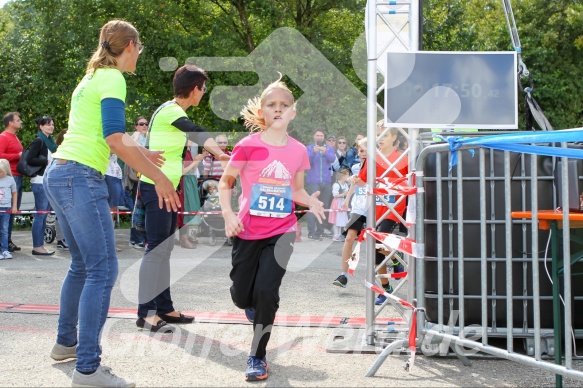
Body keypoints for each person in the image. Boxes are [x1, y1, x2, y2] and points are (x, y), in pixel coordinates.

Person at [45, 20, 180, 388]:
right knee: (103, 270)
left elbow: (106, 135)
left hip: (59, 172)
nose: (140, 55)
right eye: (140, 48)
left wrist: (142, 150)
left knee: (81, 267)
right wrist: (159, 174)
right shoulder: (113, 79)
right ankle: (88, 369)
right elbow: (114, 140)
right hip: (80, 176)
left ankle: (65, 344)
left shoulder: (90, 77)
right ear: (131, 45)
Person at [219, 75, 326, 382]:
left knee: (267, 292)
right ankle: (249, 305)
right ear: (262, 111)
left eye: (284, 105)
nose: (278, 110)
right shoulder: (247, 146)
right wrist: (228, 215)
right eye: (271, 105)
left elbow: (295, 190)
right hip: (246, 230)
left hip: (282, 232)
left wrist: (310, 201)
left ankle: (257, 356)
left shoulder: (298, 151)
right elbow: (226, 183)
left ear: (293, 112)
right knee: (243, 297)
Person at [136, 64, 228, 333]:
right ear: (195, 89)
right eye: (204, 88)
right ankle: (146, 312)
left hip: (166, 187)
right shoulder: (171, 110)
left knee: (164, 249)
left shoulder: (169, 109)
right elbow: (196, 131)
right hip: (156, 187)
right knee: (155, 249)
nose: (204, 93)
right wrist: (220, 153)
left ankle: (164, 307)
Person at [357, 122, 408, 304]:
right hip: (375, 209)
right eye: (377, 136)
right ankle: (385, 289)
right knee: (375, 252)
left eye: (384, 135)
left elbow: (411, 182)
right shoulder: (373, 158)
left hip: (394, 209)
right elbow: (362, 180)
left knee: (379, 240)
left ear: (394, 138)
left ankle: (395, 255)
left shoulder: (402, 158)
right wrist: (354, 179)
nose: (379, 139)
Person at [333, 138, 367, 288]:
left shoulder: (380, 166)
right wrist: (347, 199)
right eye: (360, 150)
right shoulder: (355, 167)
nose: (362, 153)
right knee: (349, 238)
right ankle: (343, 275)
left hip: (375, 207)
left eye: (365, 150)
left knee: (378, 244)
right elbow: (354, 184)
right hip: (359, 208)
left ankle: (394, 258)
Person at [27, 115, 57, 256]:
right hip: (39, 181)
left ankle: (40, 245)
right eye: (47, 124)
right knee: (40, 214)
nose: (51, 126)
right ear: (41, 126)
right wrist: (46, 161)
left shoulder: (50, 141)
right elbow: (30, 159)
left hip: (48, 180)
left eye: (52, 124)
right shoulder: (39, 141)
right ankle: (37, 246)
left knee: (44, 215)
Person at [305, 128, 335, 240]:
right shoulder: (308, 148)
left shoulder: (329, 148)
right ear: (314, 136)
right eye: (317, 135)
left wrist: (325, 152)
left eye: (321, 136)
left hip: (326, 182)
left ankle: (320, 231)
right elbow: (306, 161)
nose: (319, 137)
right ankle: (311, 232)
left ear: (324, 138)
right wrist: (313, 152)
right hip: (313, 181)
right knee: (313, 206)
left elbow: (332, 158)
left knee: (324, 206)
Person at [0, 112, 23, 253]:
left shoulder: (14, 137)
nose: (21, 122)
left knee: (12, 211)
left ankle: (7, 240)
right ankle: (4, 242)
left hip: (17, 175)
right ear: (10, 123)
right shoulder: (3, 137)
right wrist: (18, 156)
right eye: (18, 120)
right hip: (9, 177)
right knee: (6, 210)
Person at [177, 141, 204, 249]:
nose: (193, 141)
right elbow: (181, 171)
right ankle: (183, 238)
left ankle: (186, 235)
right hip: (183, 183)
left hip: (190, 182)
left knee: (190, 208)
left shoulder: (188, 151)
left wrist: (197, 160)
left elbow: (192, 170)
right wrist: (195, 162)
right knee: (184, 209)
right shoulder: (181, 152)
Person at [54, 128, 68, 250]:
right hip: (61, 184)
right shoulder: (60, 151)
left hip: (64, 184)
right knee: (61, 213)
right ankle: (60, 239)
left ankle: (64, 239)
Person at [0, 159, 17, 260]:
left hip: (6, 208)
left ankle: (5, 250)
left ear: (6, 170)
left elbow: (14, 193)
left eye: (1, 171)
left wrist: (14, 206)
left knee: (4, 230)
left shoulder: (10, 180)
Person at [329, 167, 350, 241]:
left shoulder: (345, 185)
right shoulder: (336, 185)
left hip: (343, 202)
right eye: (347, 175)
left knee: (341, 219)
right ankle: (335, 234)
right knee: (336, 219)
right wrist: (343, 194)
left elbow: (347, 193)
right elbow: (335, 195)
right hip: (337, 202)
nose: (348, 177)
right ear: (343, 176)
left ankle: (339, 234)